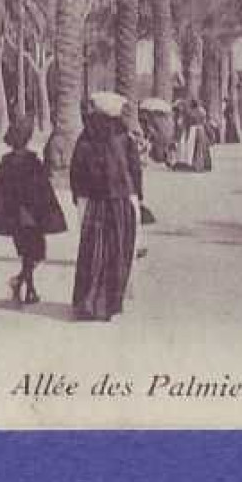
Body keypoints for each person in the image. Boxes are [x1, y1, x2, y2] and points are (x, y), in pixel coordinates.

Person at [69, 93, 140, 322]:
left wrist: (78, 197)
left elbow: (76, 170)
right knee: (117, 251)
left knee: (92, 250)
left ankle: (87, 303)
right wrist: (138, 196)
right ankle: (111, 307)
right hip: (120, 201)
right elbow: (134, 170)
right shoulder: (123, 136)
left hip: (94, 202)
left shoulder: (85, 136)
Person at [0, 116, 67, 305]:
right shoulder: (32, 161)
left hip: (14, 215)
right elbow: (42, 189)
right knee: (36, 253)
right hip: (31, 215)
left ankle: (23, 284)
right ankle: (26, 287)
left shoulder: (6, 161)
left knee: (27, 253)